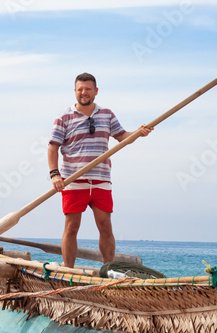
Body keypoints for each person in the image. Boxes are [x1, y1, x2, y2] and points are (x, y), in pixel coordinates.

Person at [48, 72, 153, 268]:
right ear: (75, 91)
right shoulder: (63, 117)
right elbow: (53, 147)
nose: (84, 93)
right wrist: (55, 174)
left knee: (105, 226)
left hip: (101, 179)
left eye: (88, 89)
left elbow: (122, 136)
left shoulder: (106, 114)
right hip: (73, 180)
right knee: (72, 227)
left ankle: (108, 271)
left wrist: (139, 133)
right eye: (80, 89)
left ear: (96, 91)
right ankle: (68, 270)